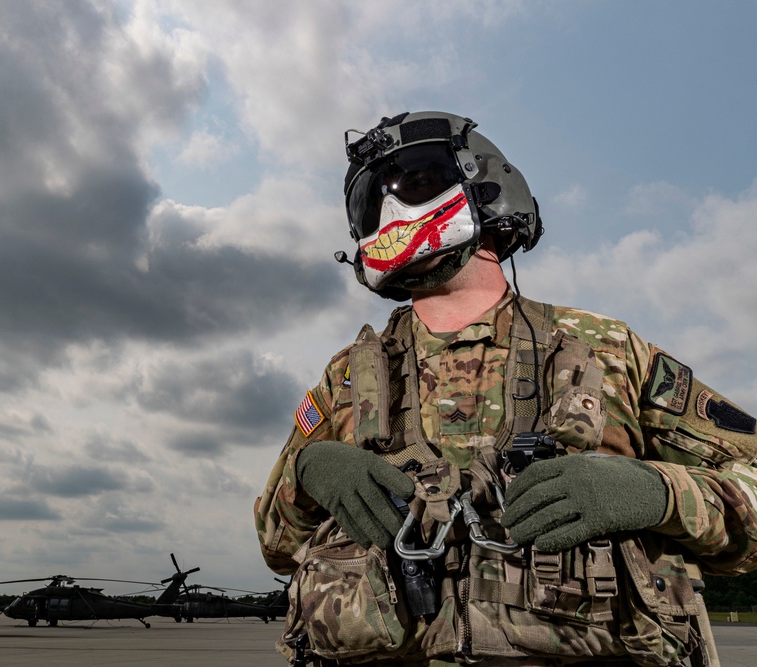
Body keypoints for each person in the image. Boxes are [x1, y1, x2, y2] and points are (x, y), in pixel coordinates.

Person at [254, 111, 757, 667]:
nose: (392, 214)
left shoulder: (605, 349)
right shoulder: (347, 376)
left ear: (485, 186)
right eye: (371, 203)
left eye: (416, 184)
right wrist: (309, 474)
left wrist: (655, 492)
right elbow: (275, 544)